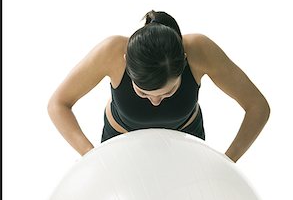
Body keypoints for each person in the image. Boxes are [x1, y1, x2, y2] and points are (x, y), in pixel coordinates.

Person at [47, 10, 270, 163]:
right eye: (143, 92)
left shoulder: (199, 50)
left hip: (185, 141)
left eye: (168, 93)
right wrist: (91, 157)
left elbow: (257, 106)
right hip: (121, 143)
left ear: (184, 61)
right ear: (125, 60)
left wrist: (227, 161)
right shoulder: (111, 52)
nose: (155, 101)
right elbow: (58, 104)